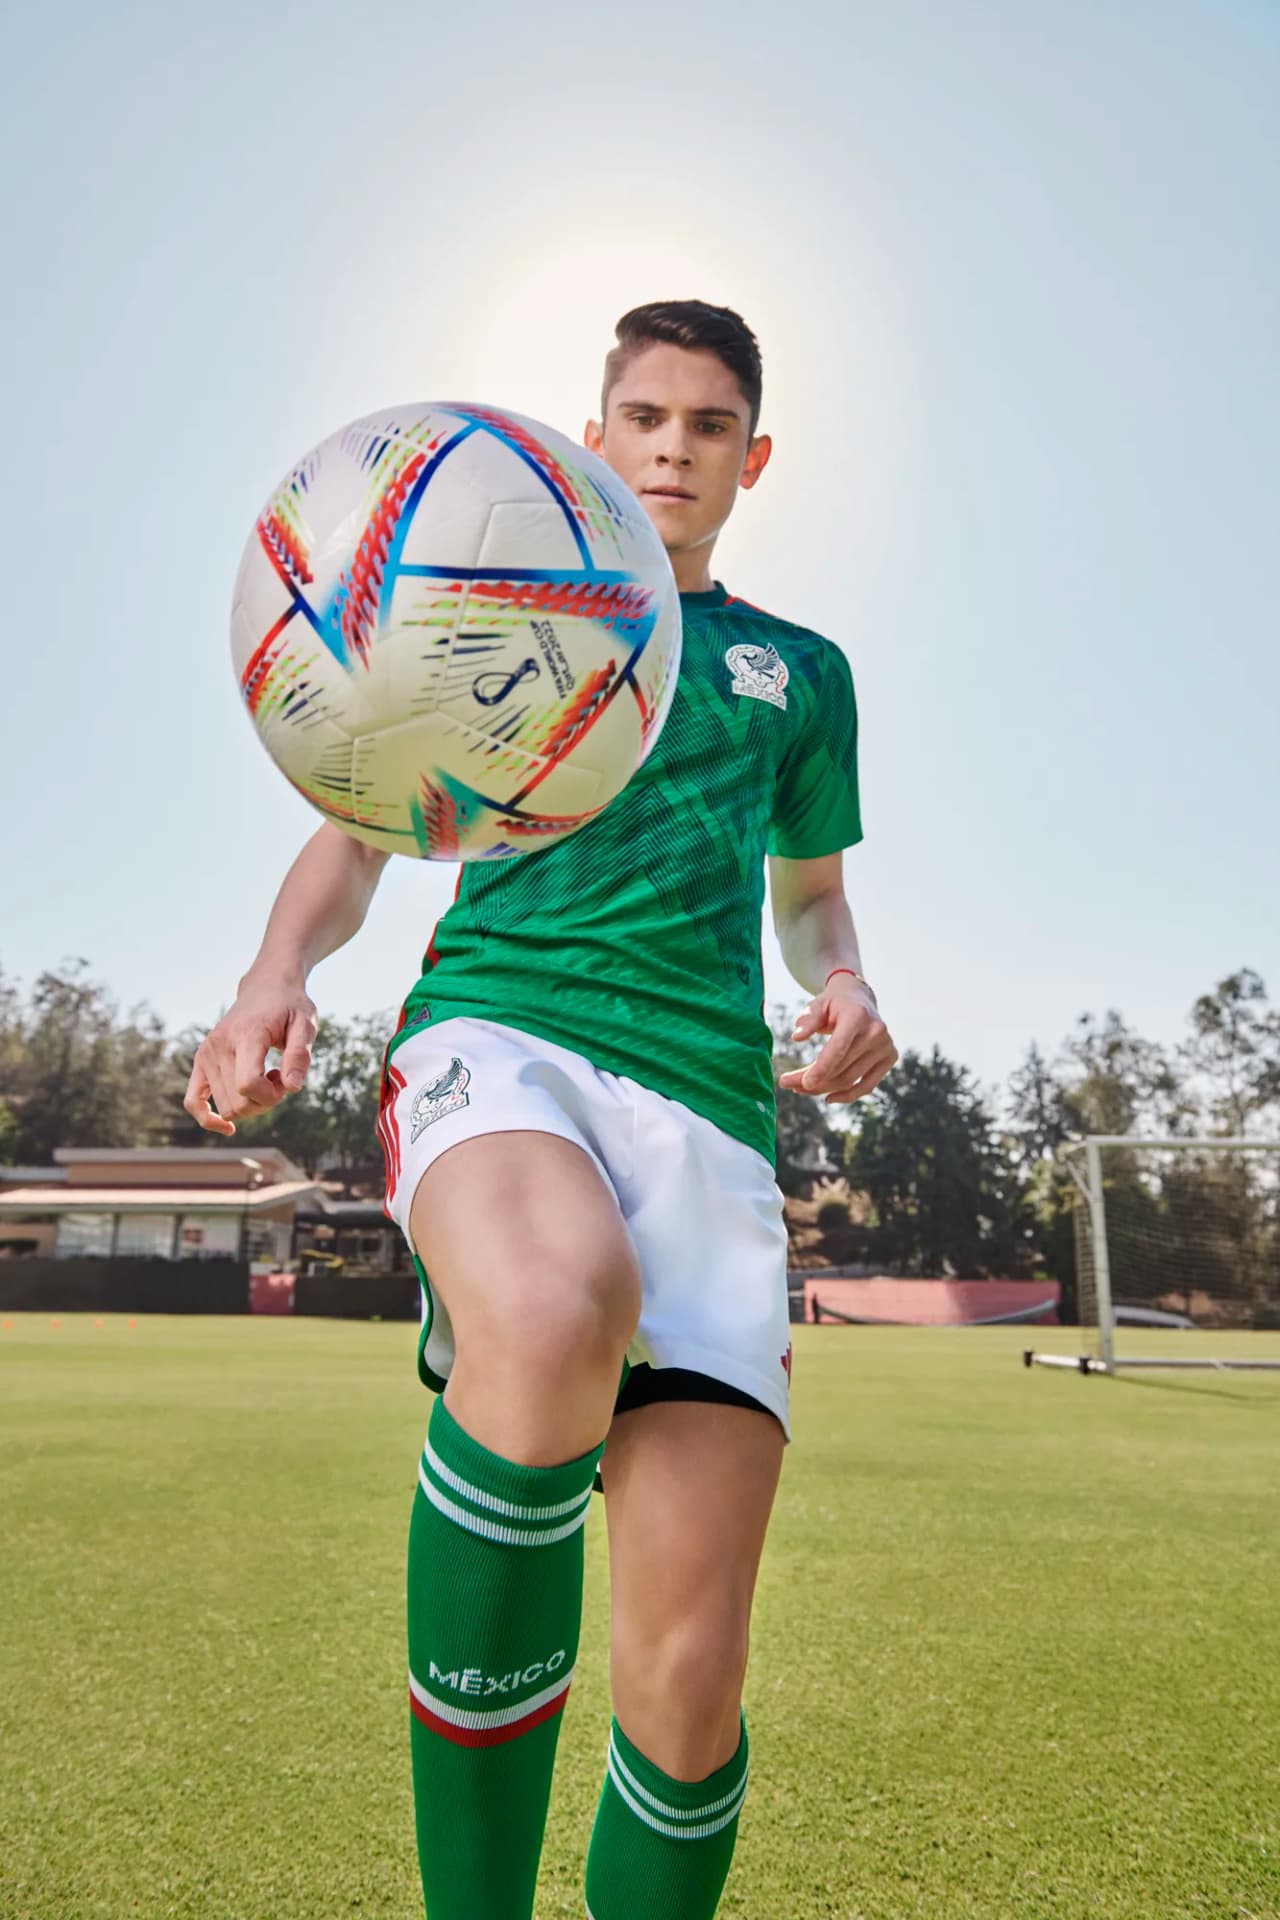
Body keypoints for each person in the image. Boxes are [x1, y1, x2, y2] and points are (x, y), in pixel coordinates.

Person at [186, 300, 898, 1920]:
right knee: (553, 1299)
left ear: (753, 458)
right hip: (504, 1041)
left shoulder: (801, 676)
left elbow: (812, 905)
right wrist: (270, 975)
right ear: (592, 442)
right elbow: (360, 830)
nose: (672, 448)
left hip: (714, 1114)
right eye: (643, 417)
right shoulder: (486, 616)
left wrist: (843, 985)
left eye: (708, 426)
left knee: (690, 1688)